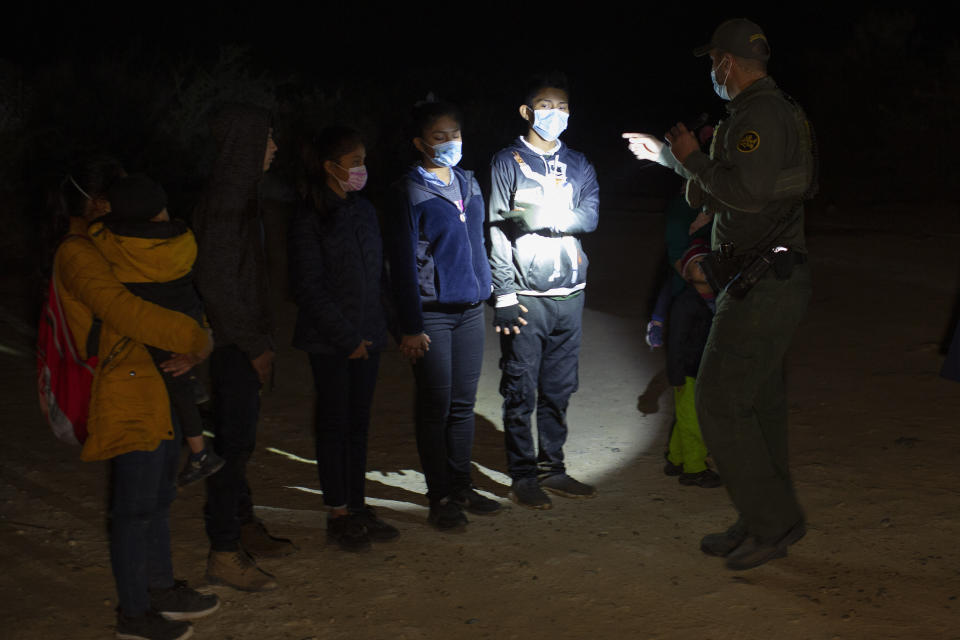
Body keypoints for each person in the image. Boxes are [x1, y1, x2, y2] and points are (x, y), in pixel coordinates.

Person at [624, 18, 816, 569]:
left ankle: (771, 521)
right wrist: (667, 156)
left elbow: (744, 195)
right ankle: (768, 516)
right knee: (759, 404)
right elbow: (727, 184)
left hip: (762, 280)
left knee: (718, 401)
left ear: (726, 63)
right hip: (764, 276)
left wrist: (690, 156)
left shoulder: (759, 116)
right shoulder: (767, 112)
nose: (713, 71)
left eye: (713, 62)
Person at [51, 156, 219, 640]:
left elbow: (173, 291)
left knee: (159, 495)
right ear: (99, 201)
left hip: (158, 379)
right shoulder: (78, 252)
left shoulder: (115, 243)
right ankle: (134, 613)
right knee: (134, 506)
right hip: (124, 389)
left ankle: (160, 588)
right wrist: (198, 340)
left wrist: (194, 336)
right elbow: (126, 311)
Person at [386, 100, 501, 531]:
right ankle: (440, 498)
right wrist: (410, 326)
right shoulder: (408, 191)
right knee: (434, 407)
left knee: (462, 406)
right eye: (439, 136)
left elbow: (479, 245)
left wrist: (489, 292)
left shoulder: (469, 183)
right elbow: (399, 264)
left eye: (455, 134)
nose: (451, 143)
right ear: (419, 143)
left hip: (470, 310)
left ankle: (462, 485)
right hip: (431, 314)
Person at [193, 103, 294, 592]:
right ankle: (225, 549)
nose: (274, 147)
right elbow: (218, 286)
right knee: (230, 449)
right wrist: (255, 345)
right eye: (267, 139)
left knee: (239, 443)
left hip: (244, 341)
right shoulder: (223, 204)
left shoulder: (242, 196)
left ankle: (244, 526)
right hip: (234, 346)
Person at [488, 72, 600, 509]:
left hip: (571, 293)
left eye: (563, 106)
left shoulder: (580, 163)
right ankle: (522, 474)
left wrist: (539, 218)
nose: (556, 113)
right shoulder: (507, 161)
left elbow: (589, 218)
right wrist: (504, 294)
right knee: (520, 389)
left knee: (558, 388)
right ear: (527, 111)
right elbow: (498, 228)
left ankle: (553, 468)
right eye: (547, 105)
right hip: (527, 298)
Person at [288, 126, 399, 551]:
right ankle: (337, 512)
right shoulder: (309, 217)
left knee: (358, 425)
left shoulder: (362, 210)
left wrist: (389, 328)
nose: (361, 170)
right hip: (330, 342)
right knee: (334, 426)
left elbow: (377, 279)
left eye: (362, 161)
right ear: (328, 167)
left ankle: (356, 504)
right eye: (354, 163)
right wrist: (345, 336)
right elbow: (309, 288)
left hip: (366, 337)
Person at [89, 174, 224, 488]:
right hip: (187, 316)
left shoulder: (116, 242)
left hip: (155, 328)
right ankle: (195, 400)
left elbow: (96, 239)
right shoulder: (183, 239)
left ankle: (201, 454)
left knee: (172, 376)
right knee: (182, 374)